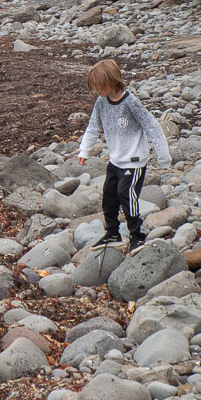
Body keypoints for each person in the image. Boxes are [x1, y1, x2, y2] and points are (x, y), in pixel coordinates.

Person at [77, 59, 171, 255]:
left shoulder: (131, 103)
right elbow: (93, 127)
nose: (96, 91)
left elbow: (152, 127)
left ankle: (137, 235)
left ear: (112, 81)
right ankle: (112, 233)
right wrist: (84, 151)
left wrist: (164, 157)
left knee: (126, 195)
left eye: (99, 86)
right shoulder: (101, 102)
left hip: (134, 162)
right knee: (109, 196)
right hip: (115, 161)